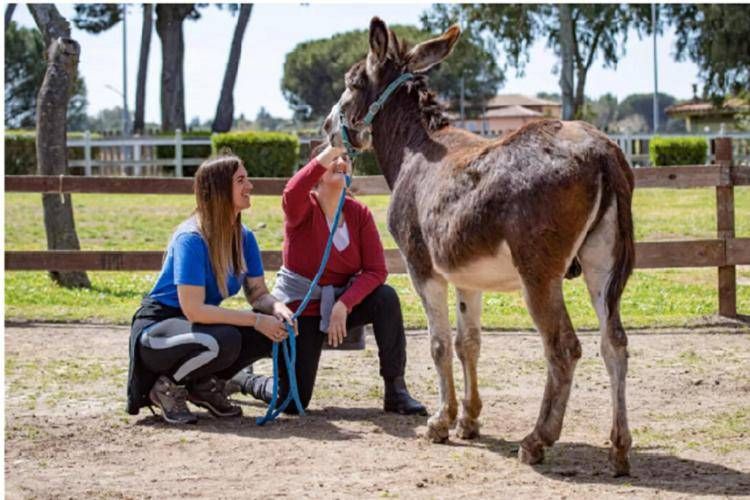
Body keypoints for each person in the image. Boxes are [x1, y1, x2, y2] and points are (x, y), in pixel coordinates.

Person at [235, 144, 427, 416]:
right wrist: (333, 147)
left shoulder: (359, 214)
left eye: (345, 159)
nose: (341, 163)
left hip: (339, 304)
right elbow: (292, 190)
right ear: (317, 171)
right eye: (333, 159)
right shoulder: (301, 209)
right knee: (291, 401)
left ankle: (396, 390)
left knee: (386, 298)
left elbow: (376, 271)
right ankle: (245, 379)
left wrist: (344, 304)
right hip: (301, 310)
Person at [127, 155, 295, 424]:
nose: (250, 186)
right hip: (159, 332)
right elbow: (194, 310)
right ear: (218, 190)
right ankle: (166, 387)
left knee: (270, 333)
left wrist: (278, 309)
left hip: (198, 328)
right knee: (225, 339)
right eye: (241, 180)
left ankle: (204, 386)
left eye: (247, 178)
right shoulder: (190, 239)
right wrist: (256, 319)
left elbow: (257, 293)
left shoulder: (245, 237)